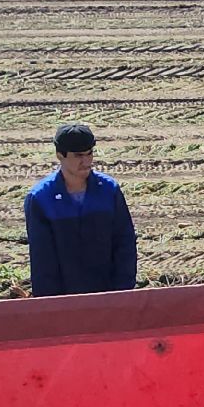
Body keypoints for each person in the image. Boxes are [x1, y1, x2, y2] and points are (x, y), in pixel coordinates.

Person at [25, 123, 137, 296]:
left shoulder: (109, 190)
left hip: (110, 297)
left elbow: (124, 243)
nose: (86, 161)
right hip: (65, 302)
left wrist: (122, 293)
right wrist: (50, 306)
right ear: (60, 155)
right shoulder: (41, 198)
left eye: (89, 153)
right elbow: (42, 259)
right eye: (78, 155)